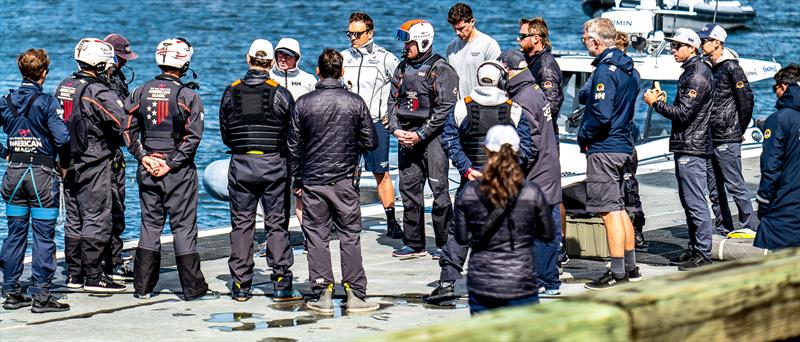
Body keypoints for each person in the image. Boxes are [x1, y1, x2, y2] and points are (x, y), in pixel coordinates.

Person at [429, 60, 532, 304]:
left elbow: (449, 141)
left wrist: (466, 169)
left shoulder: (461, 108)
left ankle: (446, 283)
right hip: (504, 184)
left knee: (459, 234)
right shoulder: (514, 110)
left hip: (472, 181)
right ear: (501, 81)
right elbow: (526, 149)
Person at [123, 38, 216, 300]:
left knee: (149, 226)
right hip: (177, 172)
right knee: (183, 228)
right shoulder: (188, 96)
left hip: (148, 166)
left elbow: (127, 128)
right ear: (184, 63)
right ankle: (193, 289)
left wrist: (142, 157)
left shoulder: (140, 91)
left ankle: (142, 288)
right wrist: (170, 163)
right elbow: (193, 138)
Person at [288, 48, 379, 314]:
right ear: (341, 72)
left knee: (317, 236)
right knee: (350, 236)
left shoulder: (304, 102)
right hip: (344, 180)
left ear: (318, 71)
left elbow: (293, 147)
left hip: (313, 180)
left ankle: (322, 292)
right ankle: (355, 294)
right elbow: (371, 141)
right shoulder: (355, 101)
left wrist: (297, 180)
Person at [219, 39, 302, 302]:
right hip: (273, 165)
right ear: (270, 64)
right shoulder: (280, 93)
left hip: (241, 164)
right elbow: (292, 135)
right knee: (276, 224)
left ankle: (241, 284)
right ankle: (281, 281)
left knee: (241, 224)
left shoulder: (231, 92)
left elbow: (225, 133)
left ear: (248, 59)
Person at [454, 125, 554, 315]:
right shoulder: (531, 191)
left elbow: (460, 238)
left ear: (486, 152)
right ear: (517, 152)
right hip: (521, 281)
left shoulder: (470, 192)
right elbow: (548, 235)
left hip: (482, 282)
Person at [0, 48, 71, 312]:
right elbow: (63, 139)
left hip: (14, 174)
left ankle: (10, 291)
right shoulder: (48, 102)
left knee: (14, 234)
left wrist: (5, 152)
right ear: (44, 72)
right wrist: (65, 166)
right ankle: (41, 296)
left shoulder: (5, 101)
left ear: (21, 71)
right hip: (41, 176)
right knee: (43, 236)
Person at [55, 38, 128, 293]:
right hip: (94, 160)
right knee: (97, 217)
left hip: (67, 162)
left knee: (74, 218)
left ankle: (75, 274)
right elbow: (124, 123)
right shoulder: (99, 92)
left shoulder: (64, 85)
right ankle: (94, 275)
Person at [577, 18, 641, 290]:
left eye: (585, 38)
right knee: (620, 208)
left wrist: (584, 135)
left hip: (605, 147)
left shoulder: (604, 70)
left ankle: (617, 272)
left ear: (596, 41)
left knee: (608, 211)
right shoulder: (630, 69)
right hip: (623, 145)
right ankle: (630, 266)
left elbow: (601, 116)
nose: (583, 42)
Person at [388, 19, 460, 258]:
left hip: (433, 139)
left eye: (409, 42)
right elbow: (392, 102)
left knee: (439, 191)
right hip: (406, 137)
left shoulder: (441, 69)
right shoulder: (401, 68)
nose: (405, 46)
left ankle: (443, 243)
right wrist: (396, 130)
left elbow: (445, 108)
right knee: (408, 190)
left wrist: (421, 134)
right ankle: (414, 243)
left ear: (423, 41)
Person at [644, 28, 714, 270]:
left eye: (677, 46)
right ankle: (695, 248)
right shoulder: (693, 71)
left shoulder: (696, 74)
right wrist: (662, 101)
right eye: (672, 46)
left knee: (695, 202)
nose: (673, 50)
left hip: (692, 146)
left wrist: (656, 104)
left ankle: (703, 252)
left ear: (692, 48)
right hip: (688, 143)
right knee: (688, 201)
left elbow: (684, 113)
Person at [497, 50, 564, 297]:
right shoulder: (534, 90)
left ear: (509, 72)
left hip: (537, 175)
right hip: (549, 169)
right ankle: (548, 279)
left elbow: (529, 145)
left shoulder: (522, 99)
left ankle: (543, 280)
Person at [341, 12, 402, 238]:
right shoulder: (343, 57)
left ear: (370, 33)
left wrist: (393, 112)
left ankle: (392, 221)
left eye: (357, 34)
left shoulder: (385, 58)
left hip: (376, 123)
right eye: (350, 33)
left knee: (381, 173)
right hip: (348, 126)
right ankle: (346, 219)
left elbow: (403, 85)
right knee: (346, 174)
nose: (352, 38)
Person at [697, 23, 756, 235]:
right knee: (714, 189)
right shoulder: (706, 67)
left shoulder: (731, 67)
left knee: (735, 185)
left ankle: (748, 226)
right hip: (709, 136)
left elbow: (746, 100)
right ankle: (723, 227)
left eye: (704, 41)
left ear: (717, 43)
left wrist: (739, 129)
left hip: (728, 136)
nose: (701, 44)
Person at [101, 33, 139, 282]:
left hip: (106, 153)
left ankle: (102, 261)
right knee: (111, 208)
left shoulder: (113, 78)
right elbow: (120, 120)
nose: (126, 62)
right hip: (108, 154)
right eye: (122, 57)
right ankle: (110, 262)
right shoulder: (108, 83)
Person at [754, 64, 800, 250]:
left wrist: (763, 200)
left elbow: (771, 164)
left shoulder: (778, 119)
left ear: (784, 87)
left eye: (776, 88)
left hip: (785, 200)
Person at [518, 17, 563, 137]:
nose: (518, 39)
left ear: (536, 39)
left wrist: (530, 125)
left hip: (541, 135)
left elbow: (550, 106)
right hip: (529, 132)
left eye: (522, 36)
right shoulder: (530, 61)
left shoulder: (545, 67)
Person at [445, 3, 501, 98]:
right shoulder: (451, 47)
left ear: (472, 22)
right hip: (459, 107)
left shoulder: (489, 45)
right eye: (454, 29)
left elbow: (498, 80)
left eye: (461, 28)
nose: (457, 33)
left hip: (483, 105)